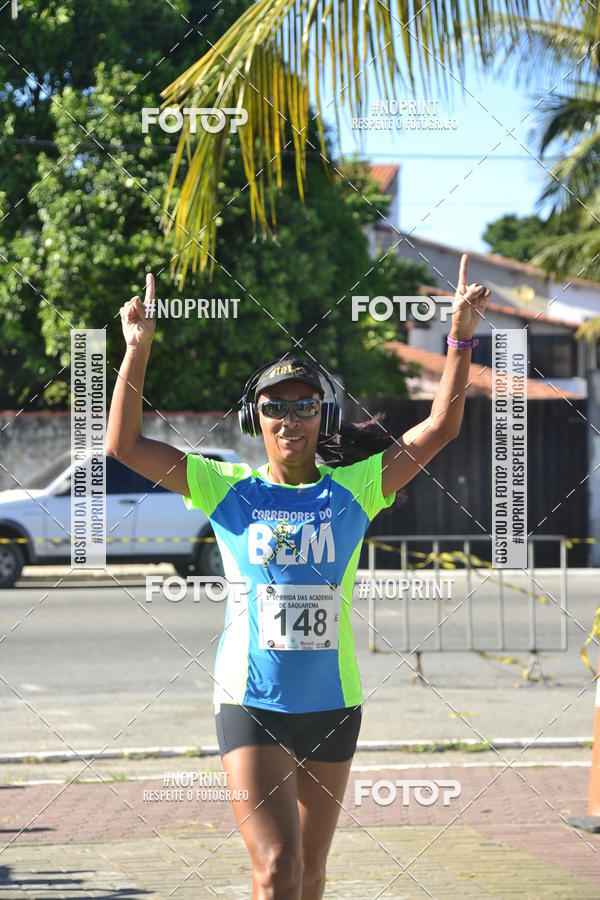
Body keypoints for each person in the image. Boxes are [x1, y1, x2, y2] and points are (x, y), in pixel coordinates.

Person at [106, 254, 490, 899]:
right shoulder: (225, 488)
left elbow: (442, 425)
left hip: (333, 704)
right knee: (277, 868)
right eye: (274, 407)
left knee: (310, 877)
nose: (290, 419)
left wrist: (460, 337)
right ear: (256, 418)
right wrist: (136, 349)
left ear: (324, 418)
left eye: (305, 405)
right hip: (251, 701)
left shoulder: (356, 489)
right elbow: (125, 446)